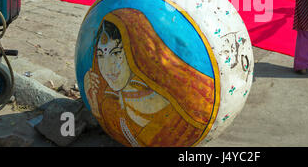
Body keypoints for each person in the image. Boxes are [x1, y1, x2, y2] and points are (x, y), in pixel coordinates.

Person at [83, 8, 215, 147]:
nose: (108, 68)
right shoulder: (111, 104)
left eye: (116, 53)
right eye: (101, 56)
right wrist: (94, 103)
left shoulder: (183, 109)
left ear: (137, 52)